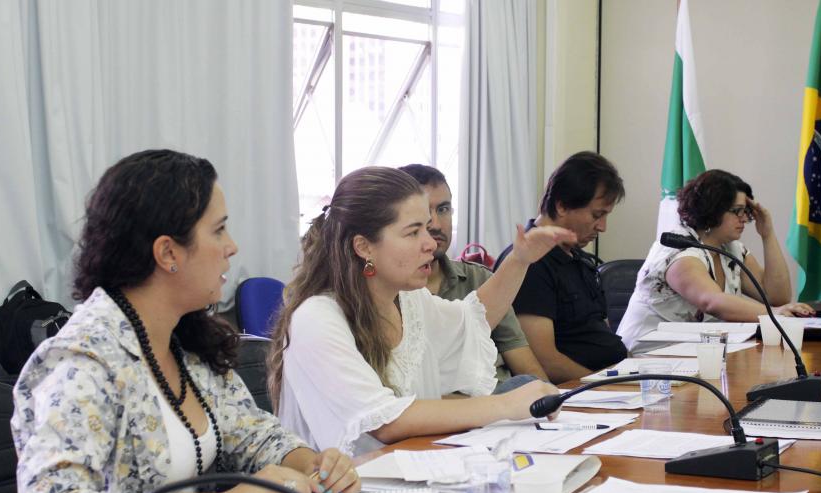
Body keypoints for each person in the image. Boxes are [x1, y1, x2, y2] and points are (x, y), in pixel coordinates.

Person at [10, 150, 360, 493]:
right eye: (219, 230)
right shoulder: (82, 360)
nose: (232, 247)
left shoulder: (187, 338)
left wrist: (311, 463)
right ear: (168, 253)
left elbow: (250, 433)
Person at [268, 167, 571, 456]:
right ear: (364, 247)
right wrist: (505, 406)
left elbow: (473, 321)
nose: (430, 242)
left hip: (409, 475)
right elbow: (386, 422)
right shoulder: (317, 318)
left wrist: (520, 260)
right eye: (413, 232)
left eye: (427, 228)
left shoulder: (408, 301)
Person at [616, 169, 814, 354]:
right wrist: (776, 314)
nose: (745, 218)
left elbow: (776, 296)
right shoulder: (679, 248)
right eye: (738, 211)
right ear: (712, 210)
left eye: (747, 211)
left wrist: (767, 233)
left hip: (696, 355)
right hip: (646, 360)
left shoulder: (730, 248)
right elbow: (711, 301)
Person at [398, 163, 550, 389]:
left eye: (443, 209)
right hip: (472, 410)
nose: (436, 225)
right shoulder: (390, 293)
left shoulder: (479, 278)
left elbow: (525, 364)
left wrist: (554, 406)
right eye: (422, 216)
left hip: (506, 405)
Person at [494, 151, 628, 383]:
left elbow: (601, 332)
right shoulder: (530, 264)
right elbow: (545, 361)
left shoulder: (578, 258)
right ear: (562, 205)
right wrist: (607, 385)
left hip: (609, 385)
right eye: (597, 215)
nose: (603, 227)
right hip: (579, 395)